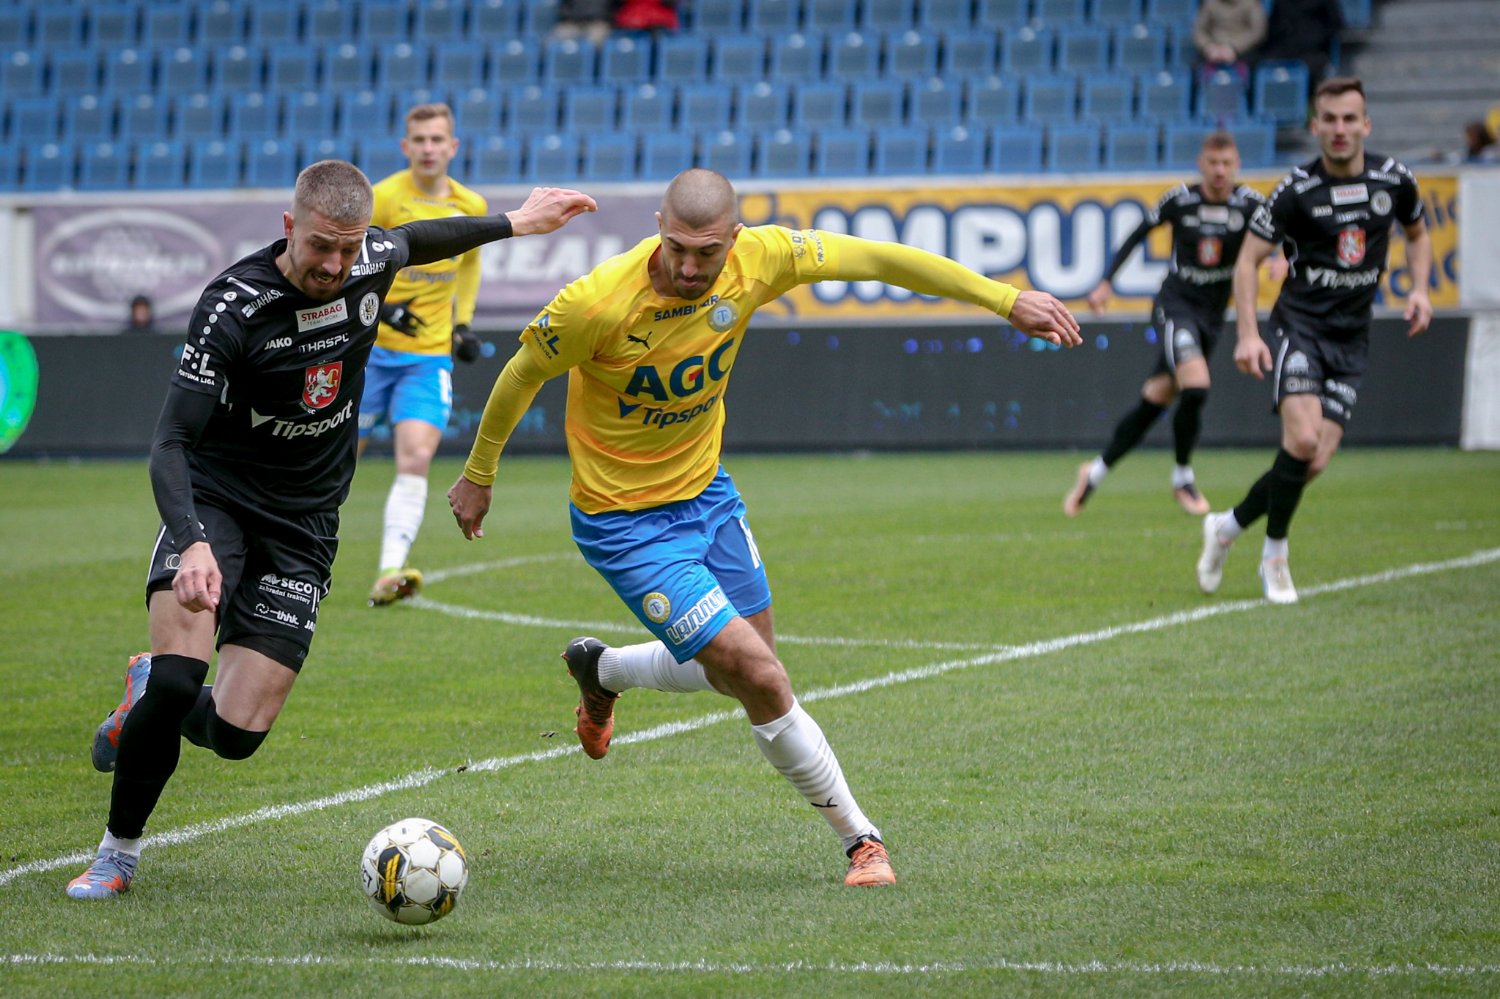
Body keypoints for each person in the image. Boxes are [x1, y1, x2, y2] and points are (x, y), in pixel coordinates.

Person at [447, 168, 1082, 887]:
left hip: (708, 497)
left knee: (741, 674)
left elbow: (880, 258)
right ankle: (862, 841)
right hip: (625, 523)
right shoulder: (596, 302)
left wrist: (1005, 299)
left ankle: (604, 670)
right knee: (762, 677)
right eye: (677, 249)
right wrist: (479, 473)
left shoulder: (764, 257)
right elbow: (521, 374)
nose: (691, 268)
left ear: (735, 238)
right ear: (658, 228)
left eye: (707, 253)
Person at [66, 161, 595, 899]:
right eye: (321, 246)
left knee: (237, 734)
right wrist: (191, 541)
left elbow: (422, 238)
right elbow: (171, 442)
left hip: (304, 521)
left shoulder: (369, 258)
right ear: (290, 227)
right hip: (217, 502)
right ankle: (117, 854)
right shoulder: (233, 305)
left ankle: (145, 688)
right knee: (183, 673)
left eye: (349, 248)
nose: (335, 265)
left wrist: (516, 222)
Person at [1197, 77, 1431, 604]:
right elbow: (1247, 261)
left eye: (1350, 119)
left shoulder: (1394, 180)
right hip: (1299, 328)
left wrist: (1420, 289)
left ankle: (1226, 528)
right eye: (1330, 119)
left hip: (1352, 339)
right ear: (1315, 127)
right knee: (1302, 442)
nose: (1340, 129)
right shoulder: (1296, 190)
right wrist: (1248, 334)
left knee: (1313, 461)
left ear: (1366, 124)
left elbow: (1417, 234)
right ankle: (1274, 556)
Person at [1067, 132, 1273, 518]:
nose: (1219, 171)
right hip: (1175, 307)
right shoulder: (1180, 199)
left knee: (1155, 400)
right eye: (1213, 163)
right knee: (1196, 385)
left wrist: (1284, 259)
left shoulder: (1251, 205)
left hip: (1212, 316)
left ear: (1237, 166)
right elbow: (1137, 234)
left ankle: (1092, 473)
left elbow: (1280, 236)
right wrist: (1106, 281)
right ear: (1201, 164)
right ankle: (1182, 477)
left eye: (1227, 163)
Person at [358, 103, 489, 608]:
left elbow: (470, 264)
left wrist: (462, 323)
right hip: (367, 352)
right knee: (334, 461)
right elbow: (353, 264)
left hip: (427, 358)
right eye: (420, 140)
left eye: (437, 140)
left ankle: (389, 571)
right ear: (405, 146)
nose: (429, 148)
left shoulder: (470, 204)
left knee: (415, 457)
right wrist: (381, 308)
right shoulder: (385, 197)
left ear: (453, 147)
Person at [1256, 0, 1344, 95]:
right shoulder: (1281, 2)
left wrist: (1317, 38)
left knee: (1313, 69)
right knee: (1259, 64)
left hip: (1314, 51)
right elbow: (1273, 28)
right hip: (1283, 49)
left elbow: (1336, 25)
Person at [1192, 0, 1266, 79]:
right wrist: (1208, 47)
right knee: (1194, 68)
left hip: (1243, 50)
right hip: (1214, 48)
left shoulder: (1250, 3)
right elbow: (1199, 30)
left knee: (1256, 66)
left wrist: (1234, 48)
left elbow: (1257, 31)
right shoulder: (1210, 3)